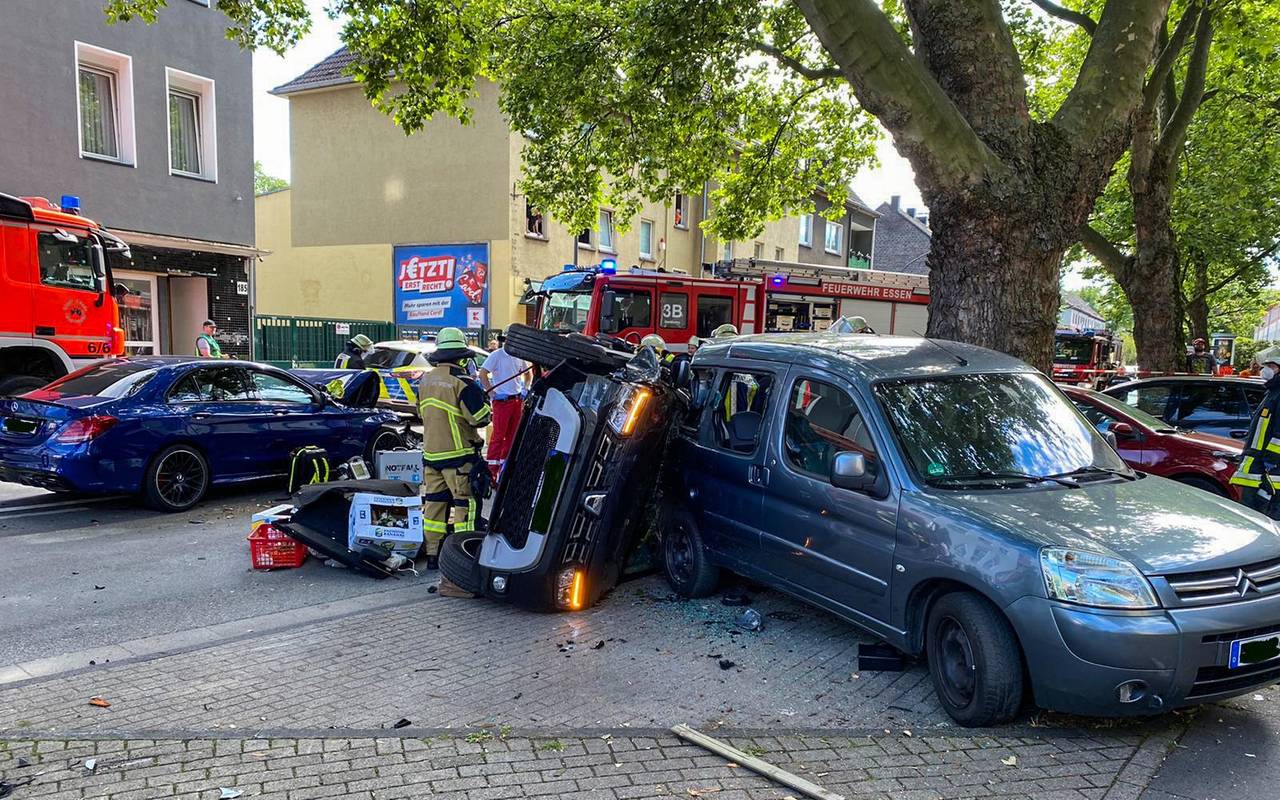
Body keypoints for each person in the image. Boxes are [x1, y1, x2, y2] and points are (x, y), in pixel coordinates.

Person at [418, 327, 492, 577]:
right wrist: (485, 403)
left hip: (431, 456)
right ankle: (463, 557)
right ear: (461, 356)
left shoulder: (425, 380)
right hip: (459, 458)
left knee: (434, 508)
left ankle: (432, 555)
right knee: (465, 508)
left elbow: (422, 413)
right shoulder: (464, 384)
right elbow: (479, 419)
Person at [1230, 347, 1280, 518]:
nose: (1265, 370)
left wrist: (1270, 463)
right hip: (1257, 467)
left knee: (1262, 520)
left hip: (1267, 471)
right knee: (1251, 516)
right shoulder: (1272, 392)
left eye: (1271, 366)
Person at [478, 329, 529, 479]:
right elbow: (483, 373)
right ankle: (492, 471)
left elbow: (528, 373)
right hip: (502, 402)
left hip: (516, 400)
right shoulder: (497, 355)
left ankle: (504, 469)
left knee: (512, 436)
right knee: (499, 436)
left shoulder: (520, 356)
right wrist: (492, 393)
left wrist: (525, 388)